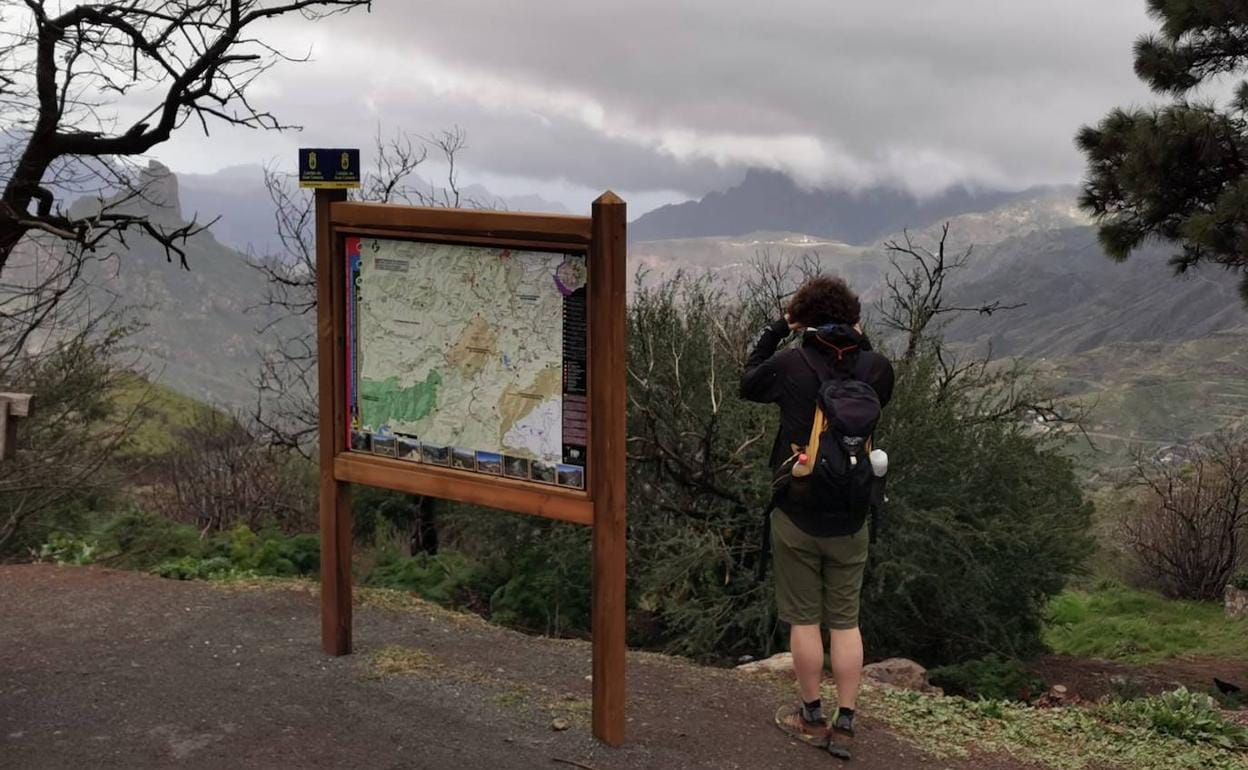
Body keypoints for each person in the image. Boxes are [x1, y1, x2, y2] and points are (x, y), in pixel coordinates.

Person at [739, 275, 894, 760]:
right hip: (852, 513)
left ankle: (811, 715)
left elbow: (748, 382)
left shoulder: (789, 364)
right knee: (845, 622)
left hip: (797, 507)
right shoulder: (877, 368)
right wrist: (858, 337)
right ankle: (845, 722)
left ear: (801, 317)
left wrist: (778, 328)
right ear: (852, 317)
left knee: (804, 620)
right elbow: (870, 391)